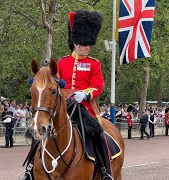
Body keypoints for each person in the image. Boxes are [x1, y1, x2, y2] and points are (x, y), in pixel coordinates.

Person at [57, 10, 113, 180]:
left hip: (85, 109)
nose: (87, 47)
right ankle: (30, 170)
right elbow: (57, 83)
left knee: (99, 136)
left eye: (89, 44)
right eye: (83, 43)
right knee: (41, 132)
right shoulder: (62, 62)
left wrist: (85, 94)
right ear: (75, 42)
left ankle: (106, 173)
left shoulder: (94, 64)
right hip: (63, 107)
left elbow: (98, 87)